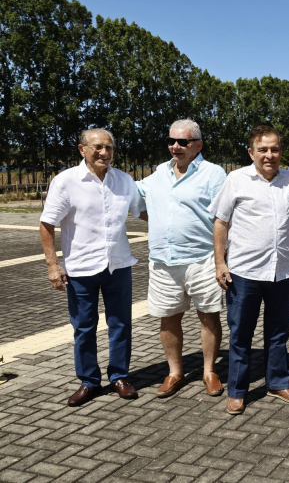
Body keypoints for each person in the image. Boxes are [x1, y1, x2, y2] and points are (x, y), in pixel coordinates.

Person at [39, 128, 147, 406]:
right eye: (98, 147)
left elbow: (144, 213)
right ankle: (89, 381)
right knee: (84, 327)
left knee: (121, 324)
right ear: (81, 149)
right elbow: (47, 223)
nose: (104, 152)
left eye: (109, 147)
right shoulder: (65, 182)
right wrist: (53, 265)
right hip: (80, 269)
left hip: (118, 266)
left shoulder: (124, 180)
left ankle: (119, 377)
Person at [211, 124, 289, 415]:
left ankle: (278, 382)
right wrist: (220, 262)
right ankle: (237, 390)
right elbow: (221, 223)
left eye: (275, 149)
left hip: (282, 272)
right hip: (244, 273)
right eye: (263, 149)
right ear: (251, 152)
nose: (269, 155)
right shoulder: (236, 179)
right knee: (241, 334)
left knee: (278, 333)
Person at [136, 119, 227, 399]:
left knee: (208, 317)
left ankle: (209, 371)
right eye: (171, 141)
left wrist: (222, 258)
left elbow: (223, 217)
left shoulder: (214, 174)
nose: (175, 147)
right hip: (164, 261)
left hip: (203, 259)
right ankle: (175, 372)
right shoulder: (157, 174)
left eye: (183, 142)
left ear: (198, 145)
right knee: (168, 318)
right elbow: (136, 203)